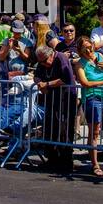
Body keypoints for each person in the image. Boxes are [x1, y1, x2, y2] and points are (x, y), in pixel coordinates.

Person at [73, 35, 103, 178]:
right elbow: (85, 83)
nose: (89, 51)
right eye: (85, 49)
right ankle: (95, 165)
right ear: (80, 51)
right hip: (93, 97)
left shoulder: (99, 56)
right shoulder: (80, 64)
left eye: (90, 47)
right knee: (95, 132)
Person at [33, 44, 78, 175]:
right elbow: (37, 75)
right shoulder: (42, 62)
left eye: (44, 61)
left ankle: (66, 161)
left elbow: (66, 79)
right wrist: (39, 83)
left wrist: (47, 84)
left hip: (66, 98)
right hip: (51, 98)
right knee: (50, 127)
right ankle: (52, 158)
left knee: (64, 129)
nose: (43, 64)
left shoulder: (61, 58)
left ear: (51, 54)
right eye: (40, 62)